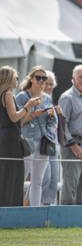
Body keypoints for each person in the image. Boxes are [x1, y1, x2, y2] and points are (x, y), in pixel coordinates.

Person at [15, 66, 57, 207]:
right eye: (38, 77)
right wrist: (33, 114)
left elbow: (53, 123)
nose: (41, 81)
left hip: (44, 142)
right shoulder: (22, 97)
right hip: (27, 141)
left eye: (43, 78)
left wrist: (51, 115)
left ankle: (35, 212)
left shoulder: (47, 98)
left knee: (38, 181)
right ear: (31, 79)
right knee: (21, 178)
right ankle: (16, 209)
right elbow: (18, 121)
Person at [1, 66, 41, 206]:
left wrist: (31, 113)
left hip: (7, 137)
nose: (18, 80)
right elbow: (13, 117)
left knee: (8, 173)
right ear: (9, 78)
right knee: (13, 174)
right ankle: (10, 206)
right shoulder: (7, 94)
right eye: (16, 77)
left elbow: (18, 120)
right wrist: (28, 105)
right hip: (10, 140)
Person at [58, 65, 82, 205]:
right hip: (74, 145)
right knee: (71, 185)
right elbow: (62, 126)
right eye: (81, 77)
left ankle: (80, 220)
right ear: (73, 79)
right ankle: (66, 220)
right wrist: (73, 145)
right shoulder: (67, 97)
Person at [40, 70, 61, 205]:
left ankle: (48, 210)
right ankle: (34, 208)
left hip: (54, 145)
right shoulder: (35, 99)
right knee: (44, 179)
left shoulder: (52, 102)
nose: (49, 87)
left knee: (54, 180)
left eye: (51, 84)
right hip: (41, 145)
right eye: (46, 83)